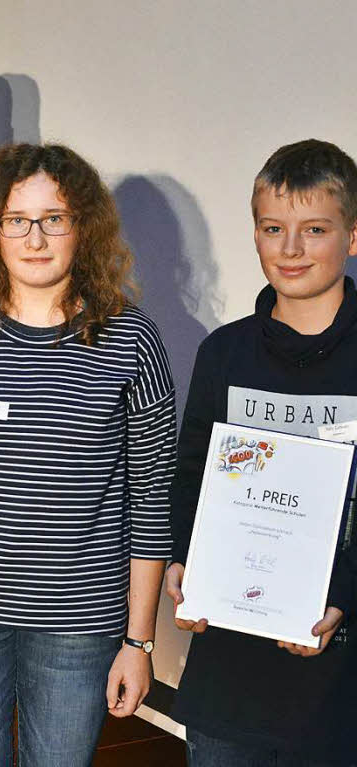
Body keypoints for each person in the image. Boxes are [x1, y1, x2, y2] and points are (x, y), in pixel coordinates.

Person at [0, 142, 177, 767]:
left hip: (80, 621)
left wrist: (140, 641)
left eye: (54, 219)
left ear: (84, 229)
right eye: (16, 220)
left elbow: (153, 501)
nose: (35, 237)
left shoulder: (132, 338)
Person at [165, 139, 357, 766]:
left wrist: (342, 598)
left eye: (315, 229)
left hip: (338, 672)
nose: (291, 249)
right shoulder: (225, 352)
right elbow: (192, 472)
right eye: (273, 228)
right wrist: (183, 564)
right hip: (231, 673)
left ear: (351, 238)